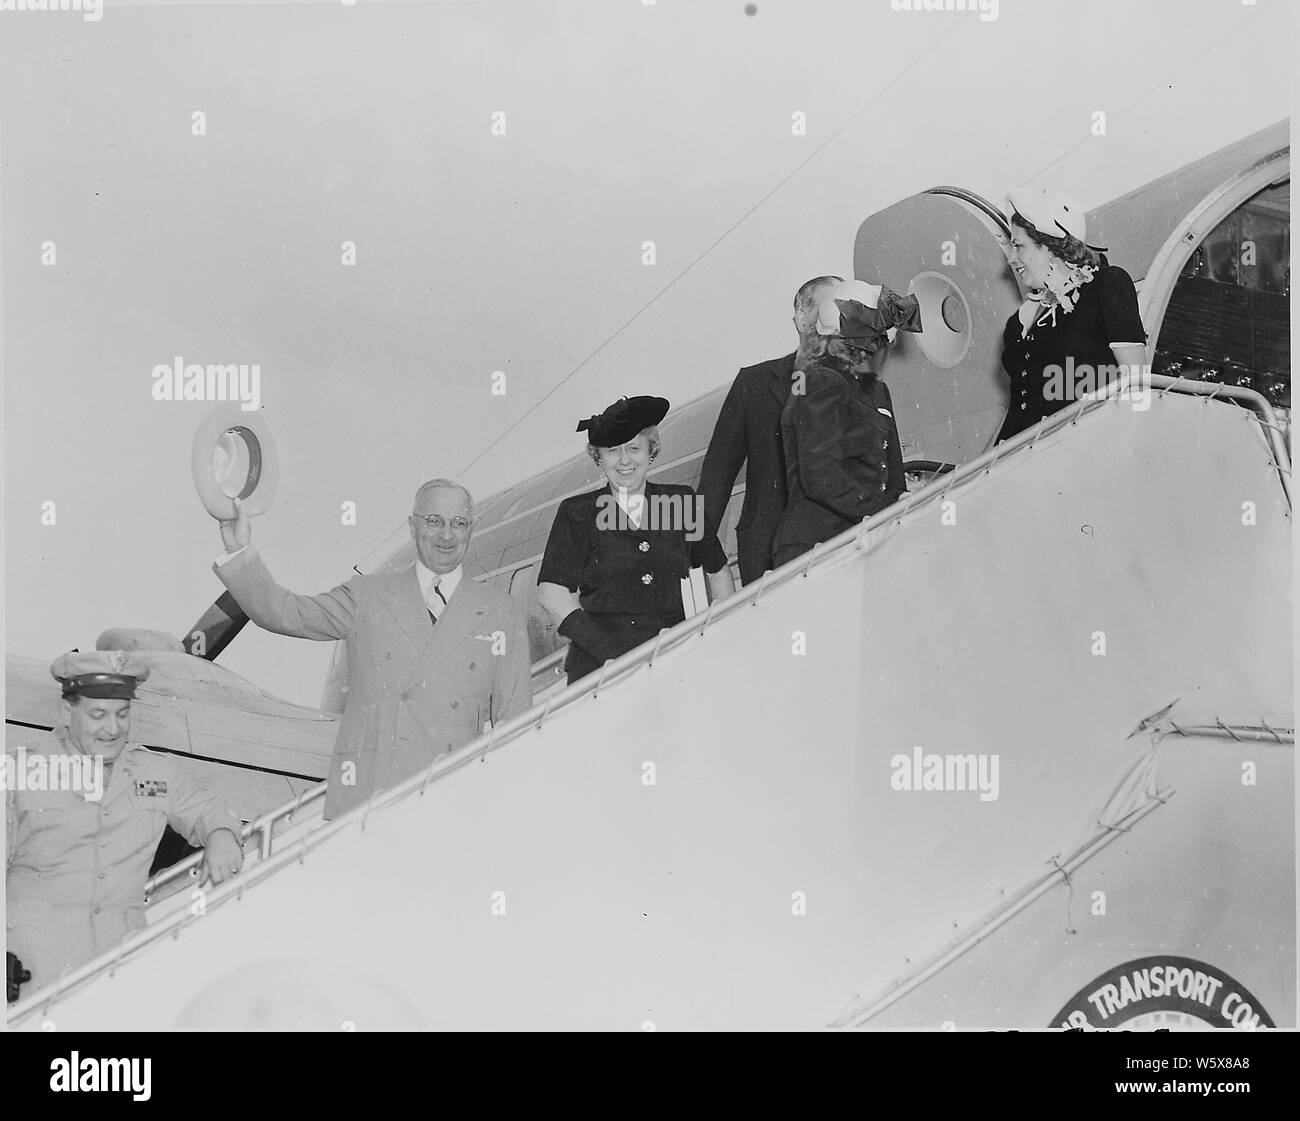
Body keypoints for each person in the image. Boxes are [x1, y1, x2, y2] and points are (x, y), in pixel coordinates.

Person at [213, 479, 532, 819]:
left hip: (451, 801)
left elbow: (516, 720)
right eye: (434, 521)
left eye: (460, 523)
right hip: (368, 803)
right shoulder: (367, 595)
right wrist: (240, 552)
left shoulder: (502, 611)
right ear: (413, 525)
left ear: (471, 529)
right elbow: (287, 613)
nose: (447, 535)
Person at [5, 652, 245, 1001]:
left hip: (118, 971)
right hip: (30, 972)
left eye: (122, 714)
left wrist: (222, 834)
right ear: (66, 712)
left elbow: (208, 810)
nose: (113, 729)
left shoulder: (155, 773)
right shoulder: (20, 772)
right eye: (98, 715)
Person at [537, 396, 736, 685]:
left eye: (634, 448)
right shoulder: (578, 513)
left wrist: (721, 631)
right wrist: (609, 655)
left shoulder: (680, 503)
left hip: (673, 659)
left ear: (650, 451)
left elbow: (718, 572)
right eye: (613, 451)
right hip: (599, 671)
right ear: (599, 458)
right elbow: (551, 593)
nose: (625, 460)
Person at [698, 275, 843, 585]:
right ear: (802, 320)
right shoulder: (755, 385)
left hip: (847, 545)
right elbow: (715, 480)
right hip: (769, 556)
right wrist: (696, 550)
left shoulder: (862, 386)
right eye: (831, 308)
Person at [771, 279, 922, 567]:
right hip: (818, 545)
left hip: (865, 539)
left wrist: (902, 500)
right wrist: (885, 510)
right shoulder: (820, 381)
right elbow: (820, 475)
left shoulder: (877, 391)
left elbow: (891, 471)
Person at [997, 187, 1147, 443]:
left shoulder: (1107, 285)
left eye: (1018, 246)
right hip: (1017, 461)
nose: (1011, 259)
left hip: (1080, 451)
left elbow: (1137, 389)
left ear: (1050, 246)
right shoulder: (1019, 323)